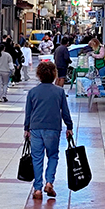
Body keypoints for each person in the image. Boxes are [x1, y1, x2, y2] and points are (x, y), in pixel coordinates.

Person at [24, 62, 74, 200]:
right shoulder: (59, 92)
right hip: (53, 128)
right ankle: (49, 182)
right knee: (53, 155)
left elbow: (28, 113)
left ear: (39, 75)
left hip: (35, 128)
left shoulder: (32, 92)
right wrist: (69, 127)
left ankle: (37, 189)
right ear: (54, 74)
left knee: (37, 157)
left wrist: (26, 128)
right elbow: (65, 111)